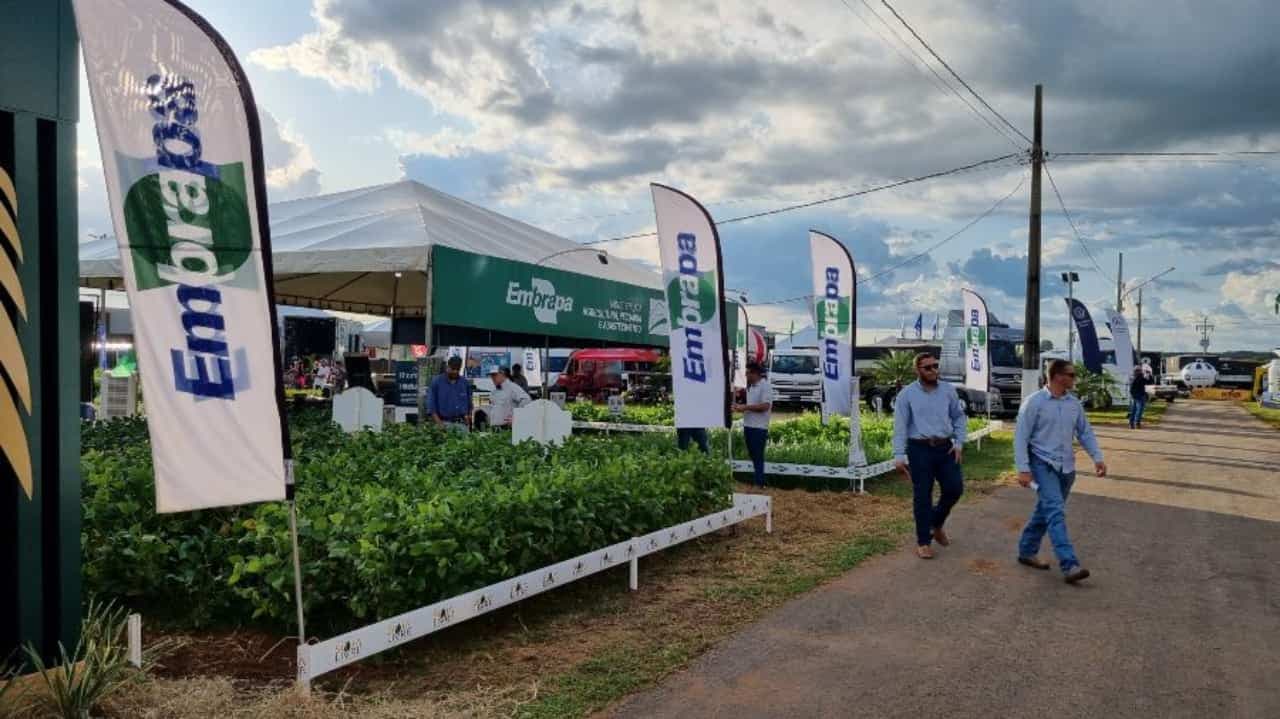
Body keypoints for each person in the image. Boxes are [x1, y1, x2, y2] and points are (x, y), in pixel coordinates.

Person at [1014, 359, 1108, 584]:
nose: (1075, 378)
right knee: (1055, 511)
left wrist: (1097, 458)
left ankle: (1026, 550)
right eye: (1071, 375)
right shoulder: (1034, 402)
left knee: (1046, 510)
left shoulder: (1073, 404)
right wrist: (1023, 469)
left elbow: (1085, 432)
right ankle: (1069, 565)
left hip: (1066, 467)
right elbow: (1020, 437)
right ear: (1057, 376)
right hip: (1041, 464)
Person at [892, 352, 968, 560]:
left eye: (936, 365)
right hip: (919, 449)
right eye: (928, 367)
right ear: (917, 370)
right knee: (923, 495)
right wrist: (899, 455)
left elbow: (959, 417)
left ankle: (935, 523)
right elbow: (900, 426)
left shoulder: (948, 390)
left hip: (945, 448)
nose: (934, 370)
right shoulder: (907, 395)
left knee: (954, 488)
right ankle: (923, 541)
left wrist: (959, 443)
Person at [733, 361, 772, 488]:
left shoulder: (765, 386)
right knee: (753, 455)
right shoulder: (750, 387)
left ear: (755, 373)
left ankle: (759, 483)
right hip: (748, 425)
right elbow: (747, 404)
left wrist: (745, 407)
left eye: (747, 373)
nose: (745, 375)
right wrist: (739, 406)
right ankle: (759, 481)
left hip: (759, 427)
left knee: (757, 455)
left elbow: (765, 406)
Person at [428, 356, 473, 432]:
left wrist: (468, 416)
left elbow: (470, 404)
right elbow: (431, 406)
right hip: (443, 423)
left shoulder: (465, 383)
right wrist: (439, 423)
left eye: (457, 369)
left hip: (462, 424)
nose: (455, 371)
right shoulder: (437, 382)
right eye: (453, 369)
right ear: (447, 367)